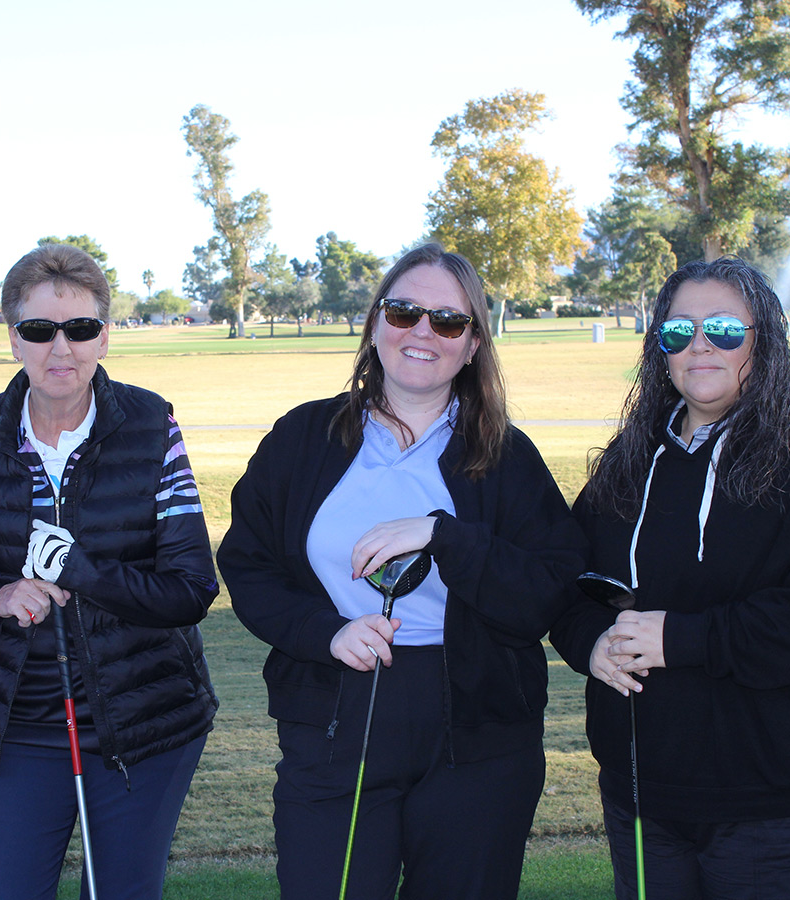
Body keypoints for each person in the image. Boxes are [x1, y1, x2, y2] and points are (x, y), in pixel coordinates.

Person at [218, 243, 587, 899]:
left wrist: (443, 536)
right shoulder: (303, 438)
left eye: (447, 321)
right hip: (336, 713)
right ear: (375, 323)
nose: (422, 331)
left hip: (478, 734)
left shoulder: (507, 456)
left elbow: (545, 594)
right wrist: (322, 631)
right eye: (403, 310)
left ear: (473, 344)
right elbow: (247, 564)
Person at [548, 257, 790, 900]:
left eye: (723, 329)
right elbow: (568, 580)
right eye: (678, 331)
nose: (700, 345)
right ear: (660, 349)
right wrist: (591, 643)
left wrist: (681, 640)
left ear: (762, 340)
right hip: (647, 799)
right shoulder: (632, 459)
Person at [0, 243, 218, 900]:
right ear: (13, 338)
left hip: (143, 726)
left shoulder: (150, 425)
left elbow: (192, 589)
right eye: (39, 330)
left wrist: (82, 571)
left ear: (105, 335)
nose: (62, 348)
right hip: (17, 725)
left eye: (81, 328)